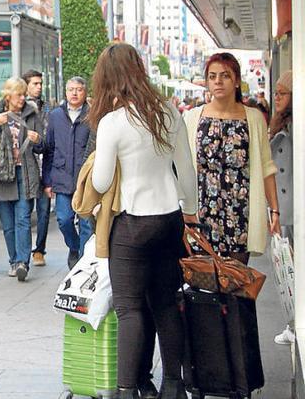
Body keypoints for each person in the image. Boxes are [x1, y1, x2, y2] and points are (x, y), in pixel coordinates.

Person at [88, 42, 197, 399]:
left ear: (107, 78)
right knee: (166, 302)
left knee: (129, 308)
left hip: (133, 222)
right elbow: (186, 173)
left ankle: (125, 390)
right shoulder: (168, 111)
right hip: (169, 218)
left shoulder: (113, 122)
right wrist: (191, 210)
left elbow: (102, 182)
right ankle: (173, 386)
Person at [182, 53, 280, 264]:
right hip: (201, 214)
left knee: (236, 285)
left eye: (225, 75)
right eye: (212, 76)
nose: (218, 81)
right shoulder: (192, 118)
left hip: (239, 214)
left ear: (236, 81)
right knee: (203, 284)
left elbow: (266, 166)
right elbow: (182, 168)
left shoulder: (253, 118)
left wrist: (274, 210)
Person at [0, 78, 44, 282]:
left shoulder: (32, 114)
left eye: (24, 94)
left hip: (24, 172)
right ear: (8, 96)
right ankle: (14, 261)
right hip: (0, 175)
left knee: (23, 218)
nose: (23, 98)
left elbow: (43, 145)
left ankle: (23, 262)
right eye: (19, 95)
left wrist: (38, 140)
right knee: (8, 224)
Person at [42, 77, 93, 269]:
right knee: (64, 220)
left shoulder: (92, 115)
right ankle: (74, 246)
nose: (74, 93)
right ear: (65, 92)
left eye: (78, 89)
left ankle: (83, 261)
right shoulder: (55, 115)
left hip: (85, 179)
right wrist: (47, 180)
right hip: (61, 177)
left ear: (85, 92)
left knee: (87, 223)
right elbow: (49, 148)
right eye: (71, 89)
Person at [269, 71, 295, 345]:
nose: (277, 98)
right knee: (288, 270)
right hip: (283, 211)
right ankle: (292, 322)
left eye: (282, 93)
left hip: (296, 210)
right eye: (275, 93)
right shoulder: (279, 128)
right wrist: (274, 125)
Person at [22, 69, 51, 267]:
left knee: (44, 210)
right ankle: (23, 253)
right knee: (24, 211)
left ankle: (39, 249)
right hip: (26, 163)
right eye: (34, 83)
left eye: (40, 83)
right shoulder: (19, 108)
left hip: (45, 162)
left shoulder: (48, 108)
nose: (39, 87)